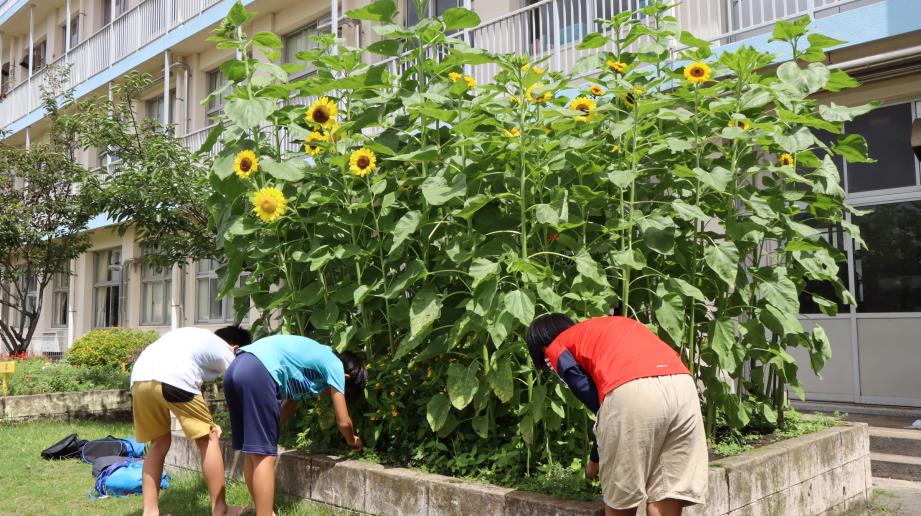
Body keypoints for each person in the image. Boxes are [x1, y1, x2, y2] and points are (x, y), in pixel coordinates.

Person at [525, 313, 707, 516]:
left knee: (621, 497)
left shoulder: (557, 347)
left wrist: (593, 462)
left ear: (543, 348)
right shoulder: (605, 327)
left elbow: (599, 407)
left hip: (634, 391)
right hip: (683, 385)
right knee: (667, 493)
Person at [223, 334, 367, 516]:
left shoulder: (312, 362)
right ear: (346, 378)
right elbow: (344, 422)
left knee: (253, 451)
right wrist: (352, 440)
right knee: (264, 455)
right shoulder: (334, 364)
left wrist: (270, 428)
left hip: (236, 369)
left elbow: (290, 403)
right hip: (258, 372)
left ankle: (264, 510)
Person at [130, 324, 252, 516]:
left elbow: (196, 385)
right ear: (236, 348)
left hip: (140, 379)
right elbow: (240, 380)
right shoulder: (227, 351)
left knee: (159, 442)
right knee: (209, 438)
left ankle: (150, 512)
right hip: (174, 376)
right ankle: (221, 510)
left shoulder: (196, 338)